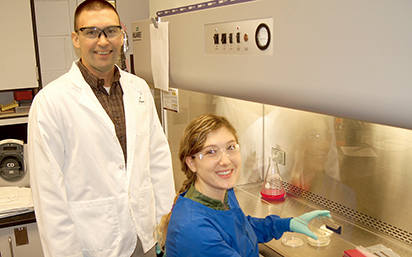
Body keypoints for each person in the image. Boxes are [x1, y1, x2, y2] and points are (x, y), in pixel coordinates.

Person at [27, 0, 175, 256]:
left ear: (122, 33)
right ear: (76, 39)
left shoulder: (138, 89)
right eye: (91, 32)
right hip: (91, 244)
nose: (103, 41)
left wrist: (168, 228)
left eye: (110, 31)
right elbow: (48, 195)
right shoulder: (50, 102)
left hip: (146, 237)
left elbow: (158, 161)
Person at [156, 113, 331, 257]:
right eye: (211, 152)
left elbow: (242, 229)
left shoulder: (224, 193)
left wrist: (287, 224)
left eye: (231, 148)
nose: (225, 160)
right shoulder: (193, 228)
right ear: (191, 163)